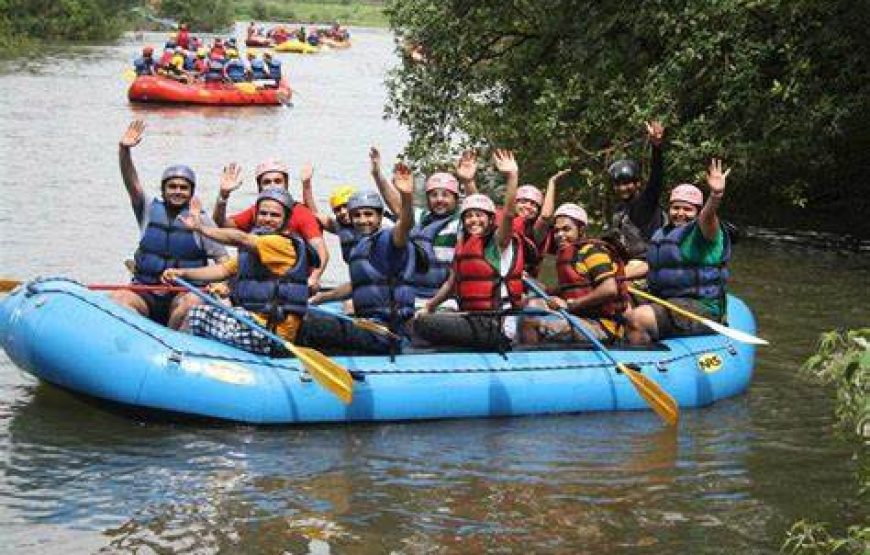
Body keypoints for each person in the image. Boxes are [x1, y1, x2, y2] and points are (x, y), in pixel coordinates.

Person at [161, 190, 316, 355]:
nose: (267, 219)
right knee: (200, 301)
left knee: (196, 314)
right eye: (263, 213)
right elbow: (222, 270)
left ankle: (174, 354)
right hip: (253, 322)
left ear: (286, 220)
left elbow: (240, 238)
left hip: (269, 335)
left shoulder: (281, 244)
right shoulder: (257, 247)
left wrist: (199, 228)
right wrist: (182, 273)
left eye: (275, 215)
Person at [110, 120, 228, 330]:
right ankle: (137, 335)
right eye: (172, 186)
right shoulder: (147, 209)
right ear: (163, 190)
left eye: (183, 187)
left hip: (182, 293)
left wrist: (221, 284)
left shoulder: (201, 221)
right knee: (119, 298)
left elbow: (223, 261)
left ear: (191, 192)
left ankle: (169, 338)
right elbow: (131, 182)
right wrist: (124, 151)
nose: (177, 191)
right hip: (146, 291)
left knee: (191, 303)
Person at [414, 150, 524, 350]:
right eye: (469, 216)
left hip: (495, 324)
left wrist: (512, 176)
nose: (474, 220)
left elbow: (508, 214)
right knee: (422, 319)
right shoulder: (463, 245)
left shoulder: (499, 242)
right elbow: (451, 284)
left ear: (491, 220)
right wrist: (429, 306)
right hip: (474, 319)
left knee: (424, 325)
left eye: (479, 215)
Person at [306, 167, 418, 354]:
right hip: (369, 325)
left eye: (368, 214)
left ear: (380, 217)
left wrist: (406, 196)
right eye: (357, 215)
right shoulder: (360, 248)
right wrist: (321, 298)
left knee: (312, 326)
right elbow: (357, 285)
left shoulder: (389, 239)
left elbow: (406, 224)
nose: (362, 220)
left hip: (388, 332)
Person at [625, 159, 732, 344]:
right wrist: (617, 276)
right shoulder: (662, 233)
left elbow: (708, 216)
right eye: (675, 207)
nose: (680, 213)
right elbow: (653, 266)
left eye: (688, 209)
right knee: (617, 297)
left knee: (640, 317)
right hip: (666, 300)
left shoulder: (703, 231)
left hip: (700, 307)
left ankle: (640, 351)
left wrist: (715, 195)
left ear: (698, 212)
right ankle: (630, 338)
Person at [521, 203, 630, 344]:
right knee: (531, 305)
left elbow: (610, 289)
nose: (560, 235)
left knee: (530, 323)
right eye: (556, 231)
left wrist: (571, 305)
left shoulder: (593, 251)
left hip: (602, 326)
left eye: (566, 229)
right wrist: (527, 279)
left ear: (581, 230)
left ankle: (531, 356)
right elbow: (557, 291)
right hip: (579, 318)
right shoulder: (567, 256)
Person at [213, 160, 328, 292]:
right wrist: (223, 196)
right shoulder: (257, 212)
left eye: (278, 181)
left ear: (286, 184)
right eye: (267, 182)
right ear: (259, 188)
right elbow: (221, 226)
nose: (273, 186)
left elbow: (322, 252)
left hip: (293, 281)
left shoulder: (302, 213)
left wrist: (313, 278)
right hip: (261, 279)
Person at [607, 121, 666, 260]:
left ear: (638, 183)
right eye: (618, 184)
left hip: (647, 262)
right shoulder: (619, 210)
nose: (622, 188)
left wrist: (657, 147)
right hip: (627, 262)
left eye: (627, 183)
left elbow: (656, 181)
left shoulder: (645, 204)